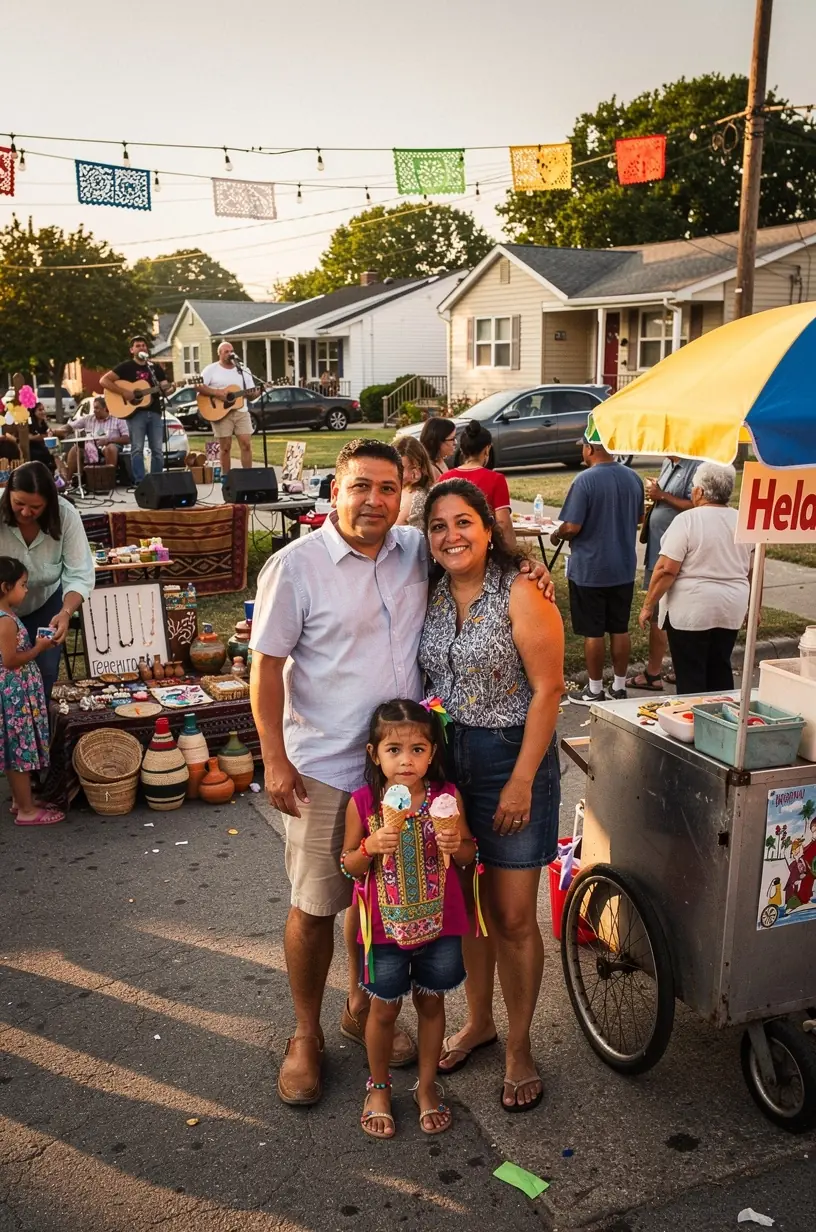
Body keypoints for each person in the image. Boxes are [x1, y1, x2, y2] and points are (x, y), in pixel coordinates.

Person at [249, 438, 551, 1108]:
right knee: (316, 904)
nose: (374, 500)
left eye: (388, 488)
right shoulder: (295, 567)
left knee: (384, 892)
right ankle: (305, 1035)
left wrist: (526, 563)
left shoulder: (416, 548)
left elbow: (477, 549)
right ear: (334, 491)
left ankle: (361, 1005)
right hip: (327, 766)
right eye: (360, 486)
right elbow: (265, 667)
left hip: (413, 769)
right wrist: (273, 758)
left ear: (402, 495)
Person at [419, 479, 564, 1112]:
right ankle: (479, 1022)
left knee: (512, 915)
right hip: (450, 763)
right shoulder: (429, 590)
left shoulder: (521, 589)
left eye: (463, 523)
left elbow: (549, 689)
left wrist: (522, 779)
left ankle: (520, 1045)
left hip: (511, 756)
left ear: (486, 528)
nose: (451, 536)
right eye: (438, 526)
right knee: (470, 905)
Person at [342, 699, 475, 1138]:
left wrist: (456, 844)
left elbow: (468, 855)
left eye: (418, 749)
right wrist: (369, 847)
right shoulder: (364, 803)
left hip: (440, 924)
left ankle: (427, 1086)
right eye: (394, 750)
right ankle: (379, 1087)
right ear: (374, 754)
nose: (406, 761)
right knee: (384, 1010)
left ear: (432, 753)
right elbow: (348, 865)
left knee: (432, 1003)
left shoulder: (446, 798)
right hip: (384, 929)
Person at [637, 462, 752, 694]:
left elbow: (666, 570)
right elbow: (753, 568)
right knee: (720, 666)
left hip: (692, 610)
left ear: (699, 491)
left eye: (693, 487)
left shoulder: (687, 520)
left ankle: (695, 715)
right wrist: (753, 606)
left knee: (691, 673)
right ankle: (721, 712)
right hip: (731, 608)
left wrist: (648, 605)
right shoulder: (743, 521)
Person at [552, 421, 644, 705]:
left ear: (590, 448)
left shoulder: (585, 481)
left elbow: (572, 526)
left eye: (583, 447)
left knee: (593, 632)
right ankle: (619, 686)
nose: (582, 452)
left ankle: (594, 689)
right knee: (619, 628)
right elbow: (639, 518)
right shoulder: (633, 478)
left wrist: (557, 534)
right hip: (623, 567)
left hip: (590, 569)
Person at [0, 462, 95, 701]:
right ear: (8, 494)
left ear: (49, 503)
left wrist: (65, 612)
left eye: (35, 507)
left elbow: (79, 574)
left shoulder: (66, 516)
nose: (25, 512)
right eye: (19, 503)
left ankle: (41, 723)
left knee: (45, 671)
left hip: (46, 604)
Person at [0, 557, 65, 826]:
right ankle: (26, 810)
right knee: (19, 750)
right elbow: (10, 660)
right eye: (23, 585)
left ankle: (21, 801)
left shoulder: (8, 615)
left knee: (15, 749)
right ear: (5, 587)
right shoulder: (6, 621)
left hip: (15, 691)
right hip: (13, 693)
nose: (26, 590)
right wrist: (39, 648)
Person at [627, 457, 697, 691]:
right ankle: (661, 670)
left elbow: (696, 504)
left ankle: (656, 672)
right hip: (657, 547)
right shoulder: (668, 463)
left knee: (664, 613)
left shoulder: (694, 466)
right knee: (660, 614)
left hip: (676, 553)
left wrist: (663, 495)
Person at [100, 337, 173, 485]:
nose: (141, 348)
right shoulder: (126, 367)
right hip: (135, 414)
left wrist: (173, 388)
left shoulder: (154, 368)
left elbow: (165, 389)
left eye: (144, 345)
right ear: (132, 350)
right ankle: (141, 482)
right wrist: (123, 392)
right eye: (138, 346)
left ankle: (157, 481)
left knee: (157, 450)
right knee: (137, 448)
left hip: (155, 412)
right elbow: (104, 381)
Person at [442, 420, 518, 550]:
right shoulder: (496, 479)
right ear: (487, 449)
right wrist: (513, 552)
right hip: (484, 547)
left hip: (453, 544)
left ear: (462, 449)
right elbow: (503, 523)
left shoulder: (444, 478)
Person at [198, 342, 260, 476]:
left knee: (246, 445)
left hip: (241, 411)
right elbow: (198, 386)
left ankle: (248, 477)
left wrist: (259, 391)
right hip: (219, 412)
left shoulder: (243, 370)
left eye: (231, 351)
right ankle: (226, 478)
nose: (230, 354)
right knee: (225, 447)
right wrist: (217, 393)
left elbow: (251, 395)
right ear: (219, 354)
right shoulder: (211, 369)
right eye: (226, 351)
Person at [64, 397, 129, 484]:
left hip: (110, 446)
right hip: (91, 447)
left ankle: (108, 480)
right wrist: (56, 431)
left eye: (97, 408)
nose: (94, 411)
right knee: (75, 449)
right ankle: (68, 481)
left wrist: (109, 440)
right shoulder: (88, 419)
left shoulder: (118, 419)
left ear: (105, 408)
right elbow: (70, 426)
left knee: (110, 448)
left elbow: (126, 438)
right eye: (94, 408)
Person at [394, 435, 435, 529]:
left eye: (414, 467)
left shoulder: (417, 497)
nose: (407, 474)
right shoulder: (399, 490)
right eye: (401, 469)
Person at [420, 417, 457, 482]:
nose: (455, 442)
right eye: (452, 439)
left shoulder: (439, 461)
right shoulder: (430, 470)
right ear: (438, 442)